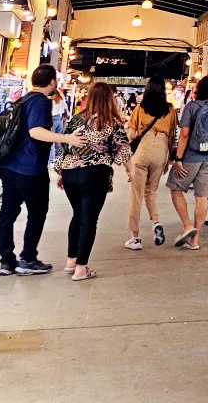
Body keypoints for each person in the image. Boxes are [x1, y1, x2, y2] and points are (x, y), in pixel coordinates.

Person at [0, 65, 86, 277]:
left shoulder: (22, 100)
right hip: (29, 168)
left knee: (7, 214)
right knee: (37, 213)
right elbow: (36, 131)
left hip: (9, 165)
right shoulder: (40, 102)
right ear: (52, 82)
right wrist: (67, 138)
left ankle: (7, 262)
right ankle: (27, 259)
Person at [54, 82, 133, 281]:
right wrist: (130, 170)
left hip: (71, 172)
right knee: (89, 219)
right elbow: (122, 149)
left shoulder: (75, 119)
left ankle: (71, 260)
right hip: (95, 174)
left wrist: (60, 171)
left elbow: (64, 144)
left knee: (77, 214)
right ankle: (81, 269)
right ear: (110, 98)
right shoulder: (112, 122)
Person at [167, 75, 208, 250]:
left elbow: (184, 134)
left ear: (198, 88)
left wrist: (178, 158)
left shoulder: (191, 107)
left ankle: (187, 225)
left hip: (191, 157)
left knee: (176, 188)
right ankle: (195, 240)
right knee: (202, 197)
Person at [124, 75, 179, 250]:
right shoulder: (170, 110)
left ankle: (135, 238)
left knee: (137, 195)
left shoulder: (140, 108)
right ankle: (155, 222)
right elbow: (171, 136)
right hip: (161, 151)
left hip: (143, 150)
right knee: (151, 192)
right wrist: (168, 159)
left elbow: (131, 135)